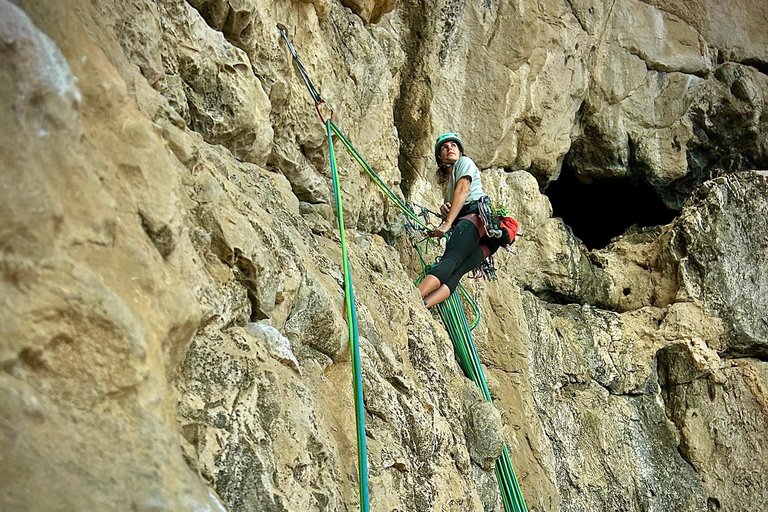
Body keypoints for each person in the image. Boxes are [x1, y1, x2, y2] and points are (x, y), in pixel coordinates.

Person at [417, 133, 510, 308]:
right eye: (444, 147)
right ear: (440, 158)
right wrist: (447, 217)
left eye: (454, 145)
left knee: (450, 260)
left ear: (460, 152)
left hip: (477, 218)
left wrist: (446, 224)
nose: (449, 148)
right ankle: (424, 305)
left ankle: (413, 297)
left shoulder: (464, 163)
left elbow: (464, 190)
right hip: (489, 238)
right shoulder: (449, 188)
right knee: (456, 272)